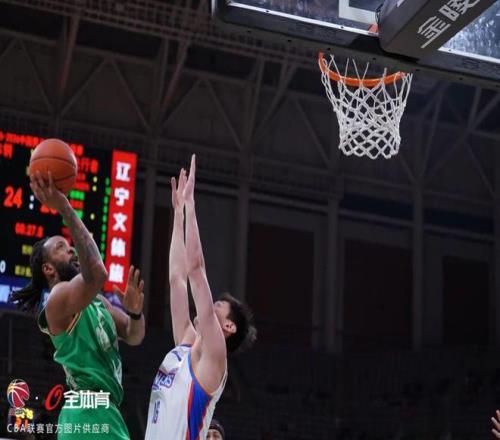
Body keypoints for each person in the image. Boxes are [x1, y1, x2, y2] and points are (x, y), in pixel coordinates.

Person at [10, 171, 145, 439]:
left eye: (69, 245)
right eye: (61, 248)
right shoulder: (57, 300)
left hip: (105, 411)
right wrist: (65, 208)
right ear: (48, 268)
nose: (70, 249)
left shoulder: (99, 302)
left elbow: (134, 335)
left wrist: (135, 312)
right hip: (86, 410)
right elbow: (97, 273)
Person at [145, 155, 256, 439]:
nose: (209, 305)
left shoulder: (214, 356)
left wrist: (191, 205)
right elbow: (177, 280)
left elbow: (195, 270)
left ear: (228, 326)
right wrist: (178, 215)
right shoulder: (185, 345)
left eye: (218, 305)